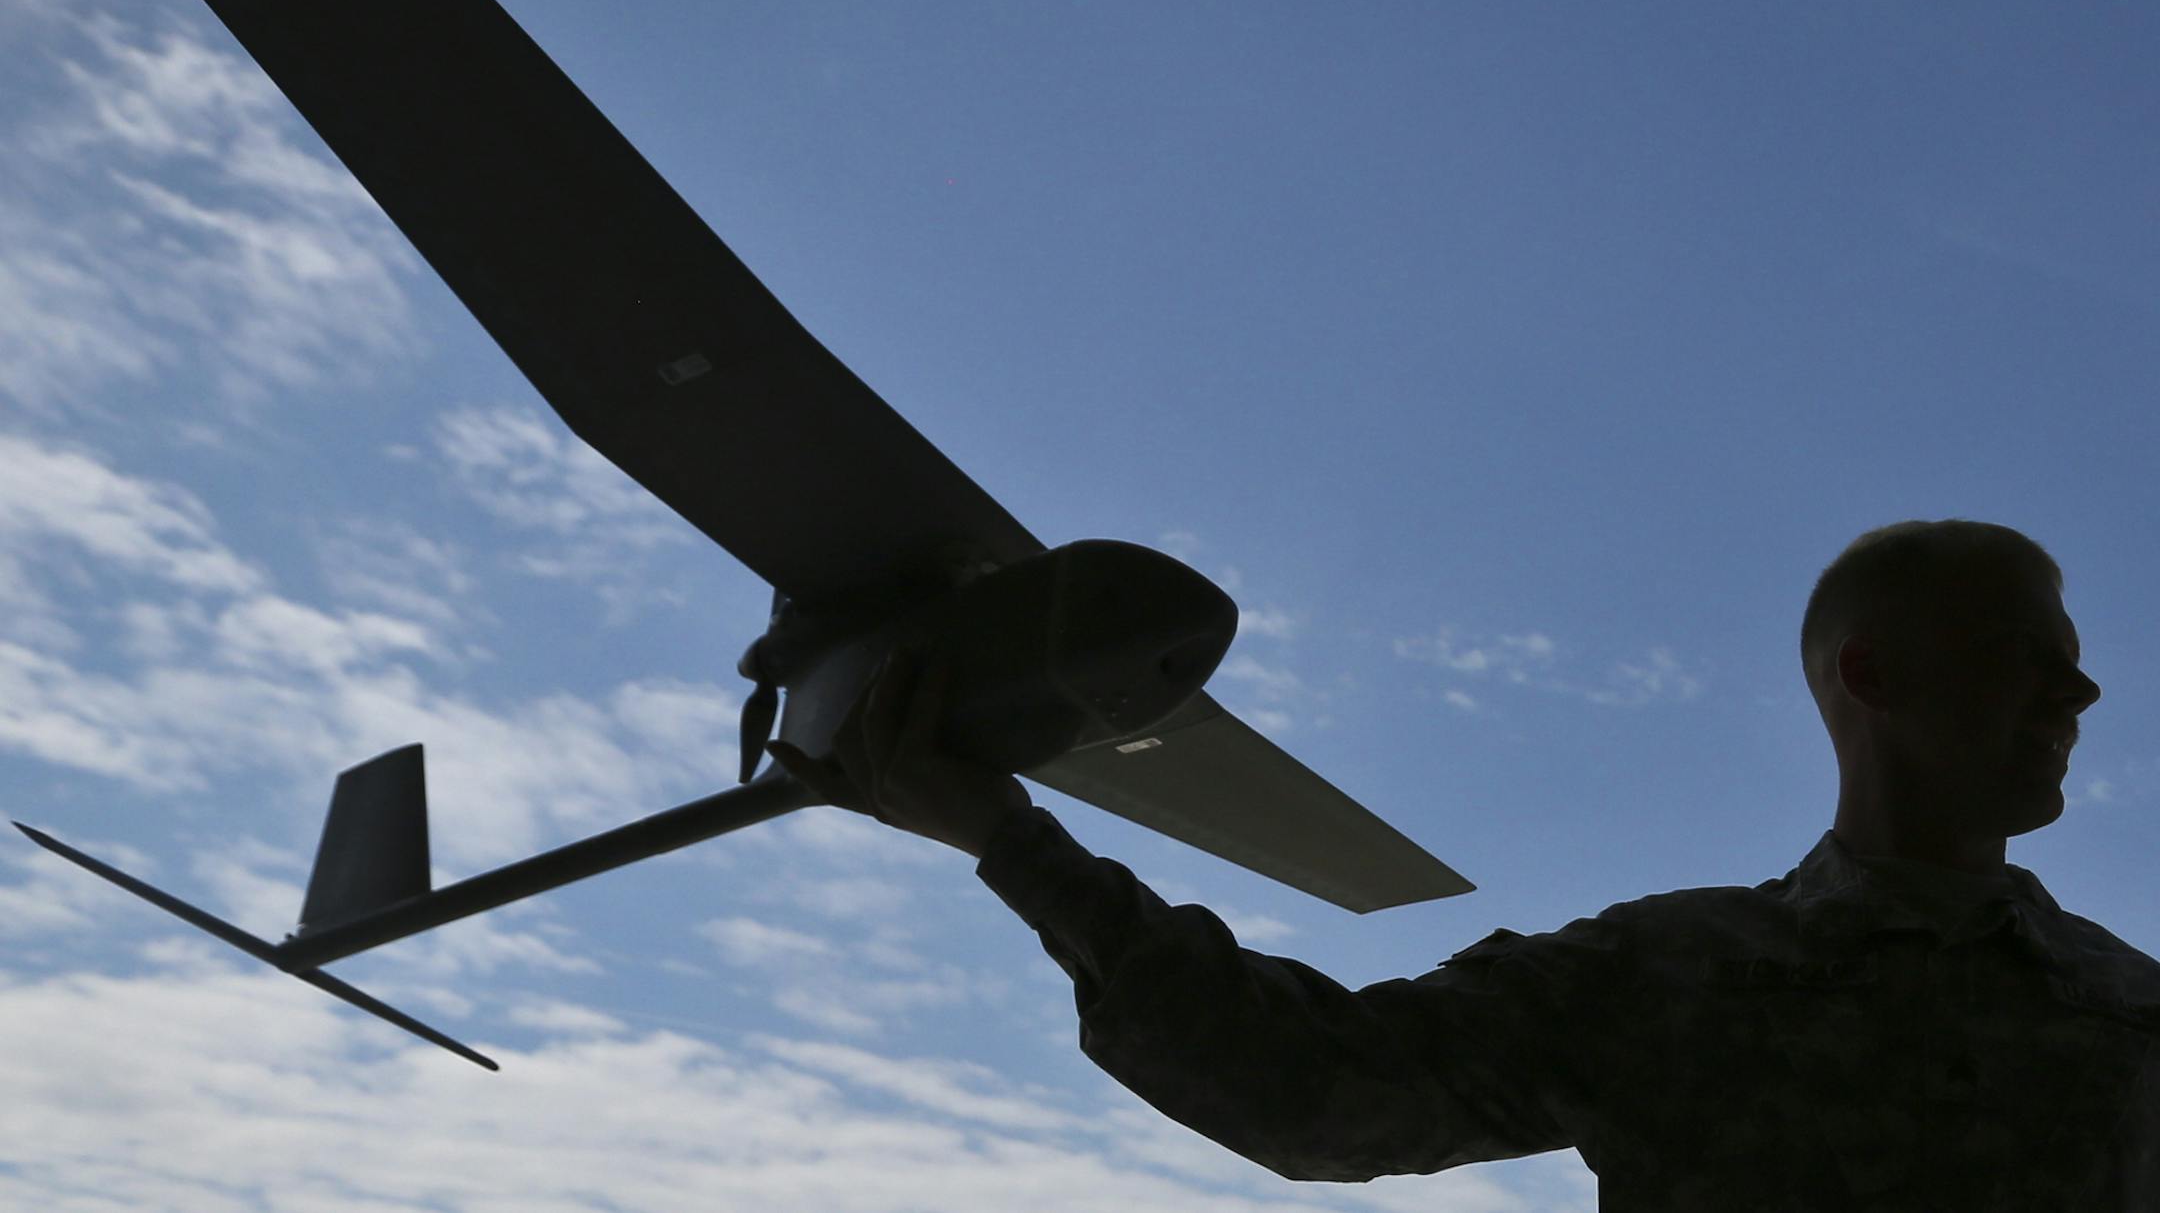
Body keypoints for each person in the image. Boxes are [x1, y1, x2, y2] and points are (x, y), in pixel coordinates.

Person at [767, 519, 2158, 1209]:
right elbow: (1308, 1091)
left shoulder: (2139, 1014)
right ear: (1872, 678)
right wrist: (1009, 840)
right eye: (2029, 659)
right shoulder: (1675, 977)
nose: (2080, 696)